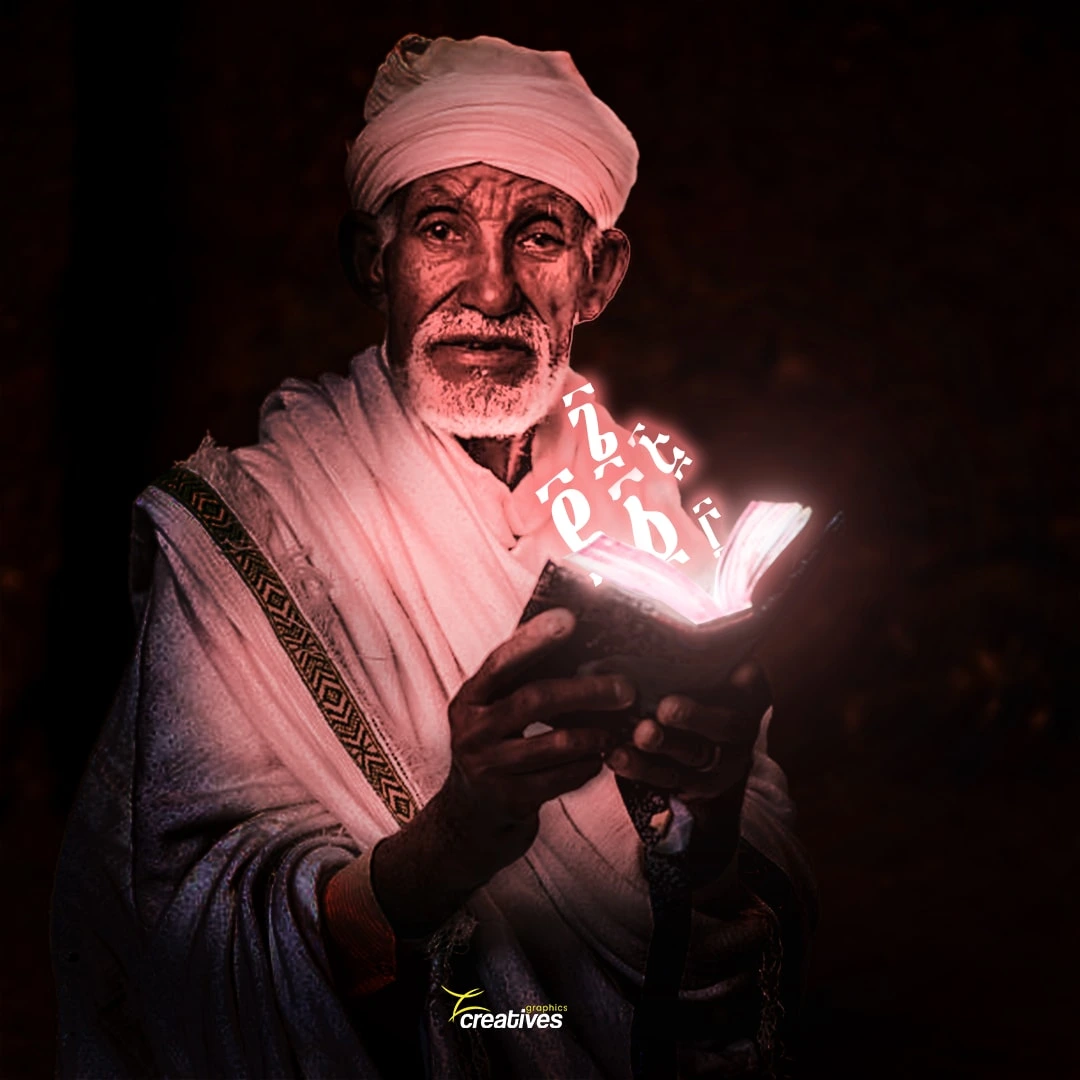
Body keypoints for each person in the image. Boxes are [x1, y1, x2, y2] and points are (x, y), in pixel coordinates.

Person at [51, 33, 816, 1079]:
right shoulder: (254, 529)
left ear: (600, 274)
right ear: (376, 263)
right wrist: (461, 833)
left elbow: (751, 893)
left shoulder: (649, 527)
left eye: (540, 236)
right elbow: (171, 919)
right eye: (443, 229)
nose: (491, 290)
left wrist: (708, 808)